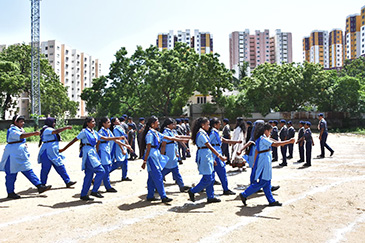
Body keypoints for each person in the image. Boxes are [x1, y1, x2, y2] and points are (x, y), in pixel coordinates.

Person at [60, 117, 125, 201]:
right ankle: (94, 191)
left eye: (94, 121)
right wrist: (63, 149)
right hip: (88, 153)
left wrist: (117, 138)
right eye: (92, 122)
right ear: (87, 123)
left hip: (92, 151)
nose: (94, 123)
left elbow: (104, 138)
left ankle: (84, 194)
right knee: (101, 171)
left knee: (89, 175)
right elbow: (74, 140)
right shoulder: (84, 132)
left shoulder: (94, 132)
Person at [239, 123, 295, 207]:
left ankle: (271, 200)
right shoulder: (262, 139)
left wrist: (255, 162)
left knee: (267, 181)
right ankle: (244, 194)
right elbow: (275, 144)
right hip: (264, 160)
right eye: (270, 131)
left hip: (264, 159)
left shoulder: (262, 138)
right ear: (266, 130)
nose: (270, 133)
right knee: (263, 181)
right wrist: (289, 142)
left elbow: (271, 144)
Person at [0, 115, 51, 199]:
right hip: (12, 155)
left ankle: (39, 186)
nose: (23, 123)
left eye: (23, 121)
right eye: (21, 121)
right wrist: (33, 133)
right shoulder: (12, 130)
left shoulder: (20, 129)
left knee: (28, 169)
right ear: (15, 122)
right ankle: (10, 192)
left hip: (19, 154)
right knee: (11, 174)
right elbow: (21, 136)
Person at [140, 116, 188, 203]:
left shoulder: (156, 133)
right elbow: (148, 147)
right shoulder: (150, 134)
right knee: (158, 177)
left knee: (151, 177)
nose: (158, 123)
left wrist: (186, 138)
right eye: (157, 122)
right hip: (152, 156)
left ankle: (150, 195)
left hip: (155, 155)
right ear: (152, 124)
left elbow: (171, 138)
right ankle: (163, 196)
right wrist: (145, 161)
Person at [187, 117, 226, 203]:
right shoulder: (201, 134)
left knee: (211, 177)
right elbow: (209, 146)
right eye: (207, 124)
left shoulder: (204, 133)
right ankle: (193, 191)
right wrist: (219, 156)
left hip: (207, 156)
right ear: (202, 125)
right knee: (208, 178)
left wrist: (213, 159)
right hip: (204, 157)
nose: (209, 126)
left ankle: (210, 196)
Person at [38, 117, 76, 188]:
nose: (54, 124)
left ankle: (67, 181)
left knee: (60, 166)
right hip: (47, 152)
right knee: (45, 169)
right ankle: (42, 184)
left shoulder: (49, 129)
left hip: (53, 152)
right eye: (53, 122)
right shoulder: (46, 129)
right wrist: (66, 128)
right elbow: (55, 132)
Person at [208, 118, 242, 195]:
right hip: (215, 155)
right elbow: (208, 144)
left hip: (217, 153)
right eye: (219, 124)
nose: (220, 125)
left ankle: (223, 188)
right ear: (215, 125)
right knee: (220, 172)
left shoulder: (216, 132)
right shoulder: (212, 133)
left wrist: (236, 142)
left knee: (215, 173)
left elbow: (225, 140)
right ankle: (224, 189)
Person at [97, 117, 130, 193]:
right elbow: (101, 141)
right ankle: (101, 187)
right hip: (103, 150)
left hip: (107, 150)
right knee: (105, 168)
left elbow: (115, 139)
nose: (110, 124)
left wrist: (126, 146)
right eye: (108, 122)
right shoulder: (101, 132)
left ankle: (106, 186)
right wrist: (97, 152)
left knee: (107, 168)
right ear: (103, 124)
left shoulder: (108, 131)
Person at [160, 118, 190, 193]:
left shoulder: (173, 131)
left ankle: (181, 186)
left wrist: (185, 147)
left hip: (173, 154)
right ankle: (156, 184)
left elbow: (179, 139)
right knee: (165, 170)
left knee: (175, 170)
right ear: (168, 125)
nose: (174, 125)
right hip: (168, 154)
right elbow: (163, 145)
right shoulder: (165, 132)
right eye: (172, 124)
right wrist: (162, 155)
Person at [109, 117, 133, 181]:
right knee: (119, 162)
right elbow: (117, 139)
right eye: (117, 120)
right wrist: (122, 149)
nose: (118, 121)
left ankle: (124, 176)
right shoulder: (116, 129)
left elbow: (124, 137)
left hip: (124, 145)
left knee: (125, 161)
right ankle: (105, 172)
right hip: (119, 146)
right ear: (114, 122)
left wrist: (128, 145)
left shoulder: (120, 127)